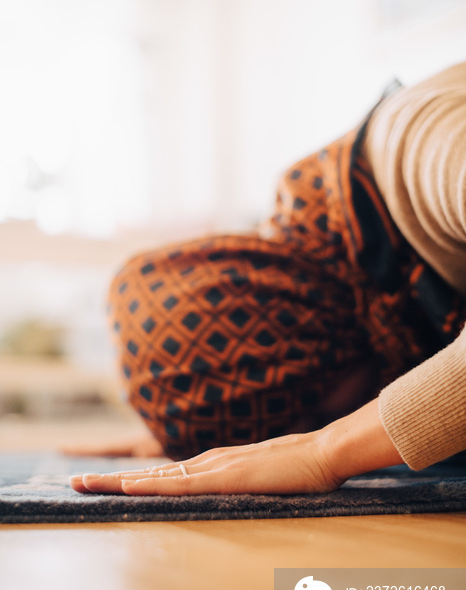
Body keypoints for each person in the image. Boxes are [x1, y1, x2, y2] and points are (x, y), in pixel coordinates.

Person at [70, 61, 466, 497]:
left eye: (316, 412)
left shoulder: (423, 143)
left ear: (305, 337)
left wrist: (325, 449)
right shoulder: (379, 300)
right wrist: (197, 433)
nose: (345, 416)